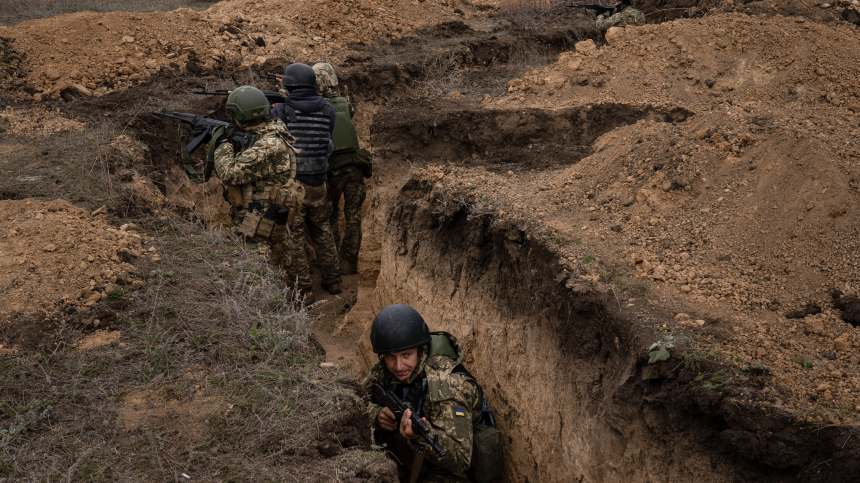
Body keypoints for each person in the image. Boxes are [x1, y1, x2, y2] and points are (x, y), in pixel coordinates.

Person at [362, 304, 490, 483]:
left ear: (421, 350)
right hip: (406, 464)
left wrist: (421, 437)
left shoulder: (447, 387)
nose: (398, 367)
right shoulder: (384, 370)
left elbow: (461, 460)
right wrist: (375, 415)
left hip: (448, 475)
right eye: (391, 357)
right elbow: (353, 399)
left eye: (407, 355)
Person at [269, 63, 342, 301]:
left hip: (294, 187)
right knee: (323, 232)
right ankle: (333, 282)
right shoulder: (328, 109)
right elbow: (326, 142)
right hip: (319, 183)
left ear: (288, 85)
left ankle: (305, 291)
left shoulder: (281, 111)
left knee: (293, 239)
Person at [212, 86, 301, 268]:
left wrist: (222, 145)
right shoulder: (268, 134)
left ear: (242, 115)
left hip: (259, 228)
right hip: (254, 222)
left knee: (254, 281)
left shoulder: (269, 144)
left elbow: (229, 173)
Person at [313, 62, 367, 275]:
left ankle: (333, 260)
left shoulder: (316, 106)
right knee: (353, 216)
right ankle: (349, 262)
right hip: (354, 167)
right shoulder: (345, 102)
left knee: (332, 215)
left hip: (331, 169)